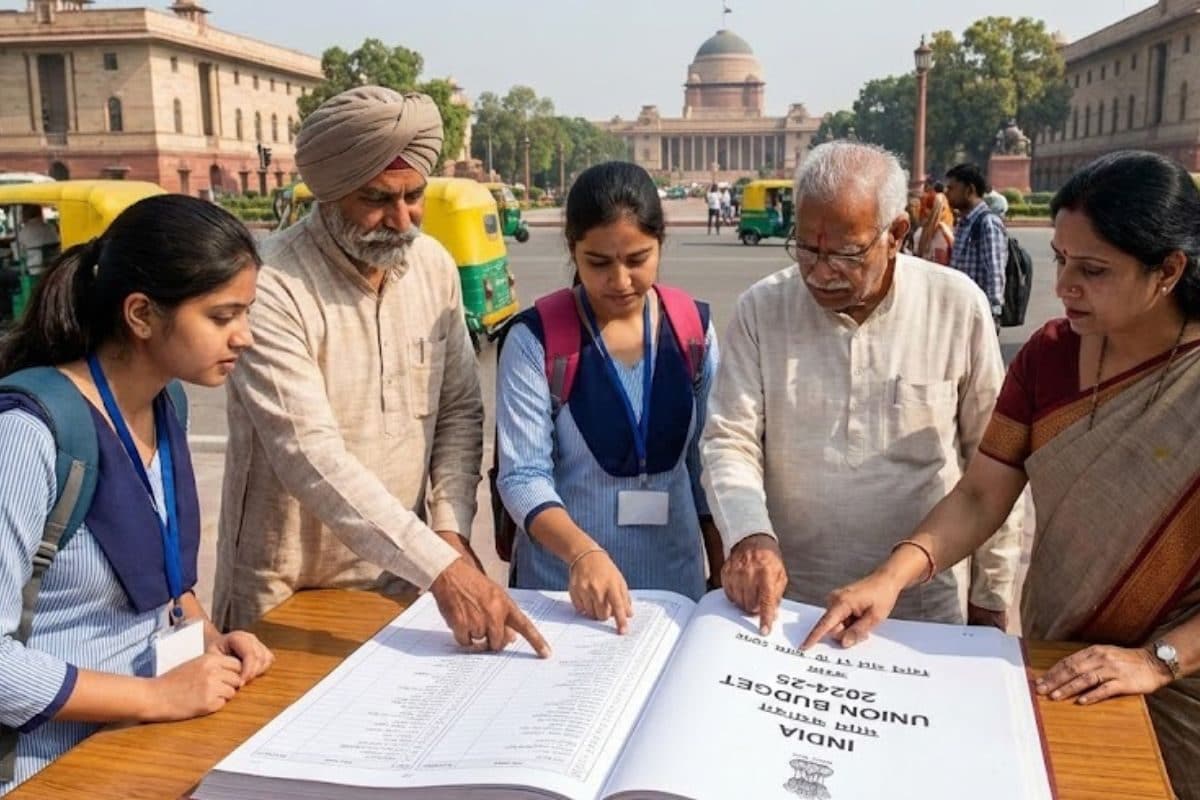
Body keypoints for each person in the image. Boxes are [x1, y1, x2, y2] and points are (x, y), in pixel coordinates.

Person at [803, 151, 1200, 799]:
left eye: (1093, 270)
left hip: (1179, 685)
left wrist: (1157, 662)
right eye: (1061, 261)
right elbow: (984, 493)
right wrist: (890, 578)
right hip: (1060, 660)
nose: (1065, 286)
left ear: (1168, 271)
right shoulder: (1049, 356)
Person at [211, 86, 550, 657]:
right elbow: (310, 456)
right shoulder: (270, 285)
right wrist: (443, 567)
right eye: (376, 199)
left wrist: (448, 531)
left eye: (413, 196)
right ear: (329, 191)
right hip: (285, 588)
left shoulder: (433, 267)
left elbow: (459, 413)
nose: (400, 219)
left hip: (405, 577)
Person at [0, 195, 273, 792]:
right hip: (48, 768)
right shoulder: (28, 435)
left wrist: (210, 637)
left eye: (245, 313)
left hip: (142, 748)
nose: (244, 337)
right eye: (222, 317)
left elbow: (160, 583)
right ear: (142, 314)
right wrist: (154, 696)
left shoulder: (165, 401)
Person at [702, 140, 1021, 636]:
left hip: (920, 608)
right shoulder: (764, 309)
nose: (820, 271)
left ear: (896, 233)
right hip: (790, 604)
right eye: (806, 247)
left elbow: (996, 463)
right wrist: (750, 534)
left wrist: (991, 596)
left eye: (845, 254)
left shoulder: (956, 306)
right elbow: (729, 439)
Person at [496, 162, 723, 629]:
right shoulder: (535, 338)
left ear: (661, 242)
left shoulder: (693, 332)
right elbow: (522, 476)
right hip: (563, 591)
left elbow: (710, 462)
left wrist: (721, 568)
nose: (620, 281)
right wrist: (582, 554)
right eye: (598, 263)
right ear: (572, 251)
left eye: (637, 259)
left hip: (672, 592)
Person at [945, 163, 1007, 327]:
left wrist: (994, 314)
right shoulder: (964, 222)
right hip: (961, 309)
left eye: (952, 188)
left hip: (979, 313)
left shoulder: (987, 223)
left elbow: (995, 271)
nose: (947, 193)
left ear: (969, 190)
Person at [14, 205, 59, 273]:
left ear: (25, 214)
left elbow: (17, 256)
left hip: (35, 269)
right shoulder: (51, 227)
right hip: (55, 265)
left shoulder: (25, 231)